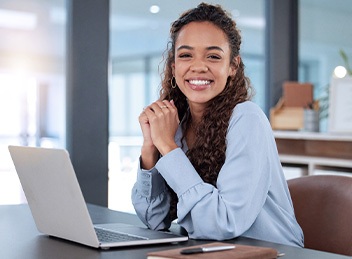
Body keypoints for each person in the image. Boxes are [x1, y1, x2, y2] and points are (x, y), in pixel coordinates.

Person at [131, 2, 304, 247]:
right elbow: (154, 220)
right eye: (185, 55)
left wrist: (168, 148)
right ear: (173, 67)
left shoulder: (247, 119)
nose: (198, 66)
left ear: (232, 66)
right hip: (212, 251)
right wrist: (151, 148)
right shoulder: (176, 124)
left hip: (269, 253)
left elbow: (223, 223)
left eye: (213, 56)